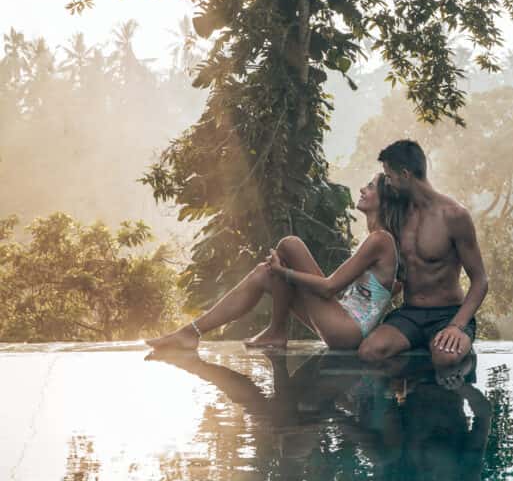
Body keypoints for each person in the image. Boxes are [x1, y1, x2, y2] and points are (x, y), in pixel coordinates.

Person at [145, 173, 406, 352]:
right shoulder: (378, 240)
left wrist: (286, 271)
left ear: (384, 201)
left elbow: (329, 288)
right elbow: (369, 289)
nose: (362, 189)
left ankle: (276, 331)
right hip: (340, 323)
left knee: (290, 245)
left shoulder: (381, 239)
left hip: (346, 329)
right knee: (264, 274)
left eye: (371, 187)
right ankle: (192, 332)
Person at [358, 139, 488, 371]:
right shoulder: (398, 215)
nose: (387, 183)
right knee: (370, 351)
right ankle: (405, 393)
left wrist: (457, 326)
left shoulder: (454, 215)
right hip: (410, 314)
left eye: (389, 176)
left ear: (405, 174)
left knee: (445, 359)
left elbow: (480, 280)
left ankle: (457, 351)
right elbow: (383, 256)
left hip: (447, 314)